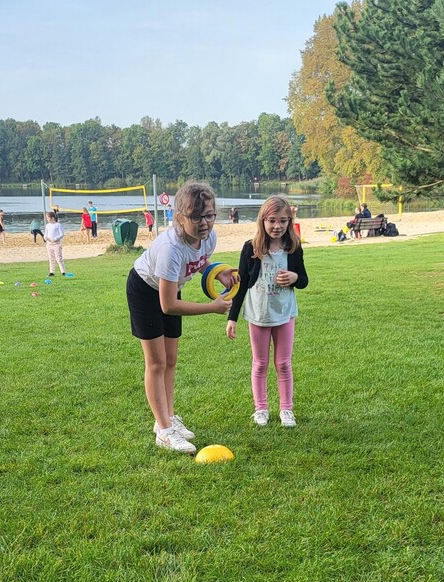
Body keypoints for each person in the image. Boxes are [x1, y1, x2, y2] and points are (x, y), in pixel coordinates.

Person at [126, 181, 238, 454]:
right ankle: (163, 431)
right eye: (195, 216)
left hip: (170, 291)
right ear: (179, 218)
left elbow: (197, 261)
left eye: (209, 215)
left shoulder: (210, 238)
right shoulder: (170, 248)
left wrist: (216, 271)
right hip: (146, 290)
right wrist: (212, 307)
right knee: (156, 362)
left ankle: (168, 418)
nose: (204, 223)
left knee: (171, 360)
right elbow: (168, 305)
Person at [226, 194, 308, 428]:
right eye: (272, 220)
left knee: (283, 363)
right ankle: (261, 409)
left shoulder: (293, 248)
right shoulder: (251, 248)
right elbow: (240, 285)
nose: (277, 226)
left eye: (283, 221)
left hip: (284, 314)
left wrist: (294, 278)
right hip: (258, 315)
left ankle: (286, 409)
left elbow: (303, 280)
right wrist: (232, 318)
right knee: (260, 364)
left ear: (289, 222)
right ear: (262, 221)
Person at [44, 211, 66, 276]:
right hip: (49, 244)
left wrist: (55, 239)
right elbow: (46, 234)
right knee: (51, 258)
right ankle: (52, 272)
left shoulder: (58, 225)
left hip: (56, 244)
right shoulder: (47, 225)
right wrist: (46, 238)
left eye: (48, 218)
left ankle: (63, 272)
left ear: (52, 218)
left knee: (59, 258)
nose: (47, 219)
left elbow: (62, 234)